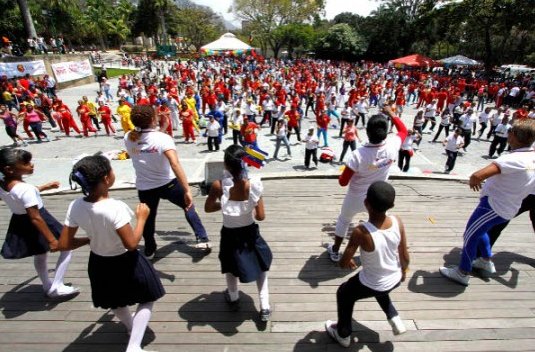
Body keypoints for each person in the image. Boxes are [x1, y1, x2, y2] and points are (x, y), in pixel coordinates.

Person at [59, 155, 164, 352]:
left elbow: (64, 243)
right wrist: (142, 218)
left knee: (114, 299)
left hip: (99, 261)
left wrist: (89, 239)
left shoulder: (76, 205)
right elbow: (132, 243)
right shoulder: (114, 208)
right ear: (107, 178)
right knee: (148, 297)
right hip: (126, 261)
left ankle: (131, 328)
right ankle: (134, 346)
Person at [439, 119, 535, 286]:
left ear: (513, 135)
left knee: (470, 235)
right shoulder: (532, 157)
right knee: (481, 231)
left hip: (493, 206)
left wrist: (474, 182)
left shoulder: (512, 159)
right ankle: (485, 259)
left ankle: (462, 272)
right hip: (510, 206)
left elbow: (477, 176)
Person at [325, 181, 409, 348]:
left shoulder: (361, 231)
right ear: (391, 205)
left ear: (366, 203)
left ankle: (343, 333)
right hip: (395, 277)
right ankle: (394, 317)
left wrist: (347, 260)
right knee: (380, 286)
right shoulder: (397, 221)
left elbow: (342, 263)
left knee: (344, 293)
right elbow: (404, 254)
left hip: (374, 282)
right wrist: (404, 270)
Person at [124, 105, 210, 259]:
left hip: (145, 187)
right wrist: (187, 190)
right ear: (152, 119)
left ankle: (150, 248)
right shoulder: (163, 139)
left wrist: (161, 127)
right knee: (188, 205)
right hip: (168, 184)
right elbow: (174, 163)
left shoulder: (129, 137)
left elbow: (148, 141)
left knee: (148, 219)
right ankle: (202, 237)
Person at [327, 107, 408, 262]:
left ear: (367, 132)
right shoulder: (392, 146)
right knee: (377, 222)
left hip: (355, 197)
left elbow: (343, 182)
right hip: (377, 197)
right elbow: (403, 130)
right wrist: (391, 113)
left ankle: (336, 250)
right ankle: (378, 251)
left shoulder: (357, 155)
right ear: (386, 132)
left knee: (344, 220)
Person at [204, 145, 273, 322]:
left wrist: (226, 206)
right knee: (261, 265)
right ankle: (264, 305)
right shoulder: (254, 185)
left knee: (230, 265)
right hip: (249, 232)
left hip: (229, 233)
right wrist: (248, 206)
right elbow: (261, 216)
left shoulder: (218, 185)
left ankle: (233, 297)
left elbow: (208, 208)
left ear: (226, 165)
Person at [0, 148, 78, 298]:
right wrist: (52, 240)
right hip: (40, 220)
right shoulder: (25, 189)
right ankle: (57, 284)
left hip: (20, 221)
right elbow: (35, 216)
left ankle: (47, 284)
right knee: (67, 247)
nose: (31, 165)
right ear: (9, 169)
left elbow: (20, 195)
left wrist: (44, 187)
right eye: (26, 163)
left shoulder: (4, 183)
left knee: (40, 253)